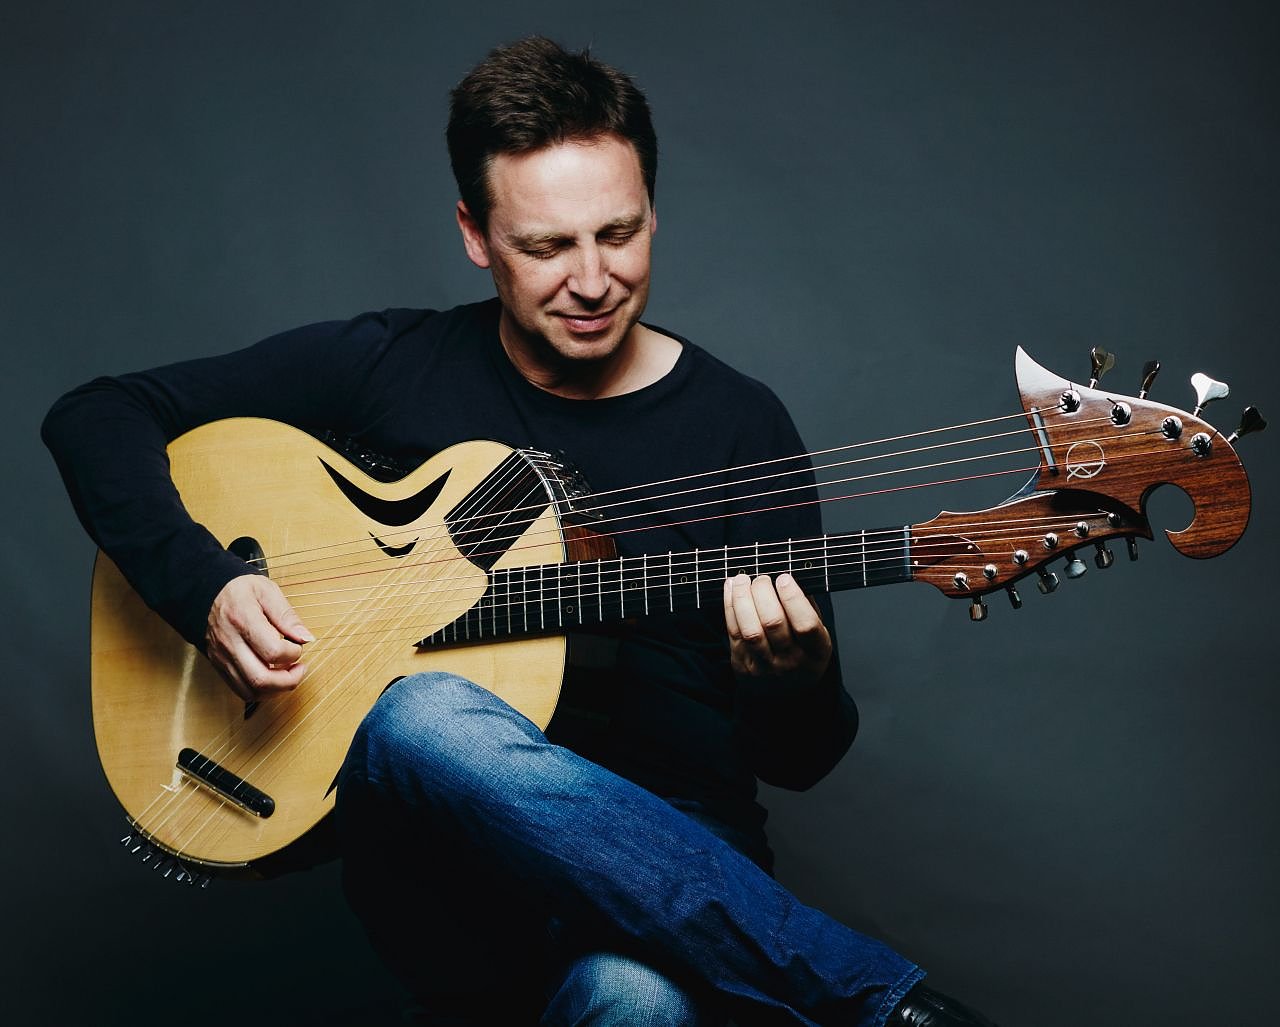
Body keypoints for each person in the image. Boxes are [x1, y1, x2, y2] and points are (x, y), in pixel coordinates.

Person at [43, 37, 999, 1027]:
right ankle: (880, 1005)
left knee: (637, 1003)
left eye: (617, 234)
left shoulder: (739, 426)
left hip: (685, 854)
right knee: (421, 715)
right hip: (451, 878)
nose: (591, 280)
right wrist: (205, 587)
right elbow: (96, 415)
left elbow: (800, 759)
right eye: (546, 246)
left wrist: (791, 681)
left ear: (652, 212)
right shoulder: (393, 364)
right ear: (475, 233)